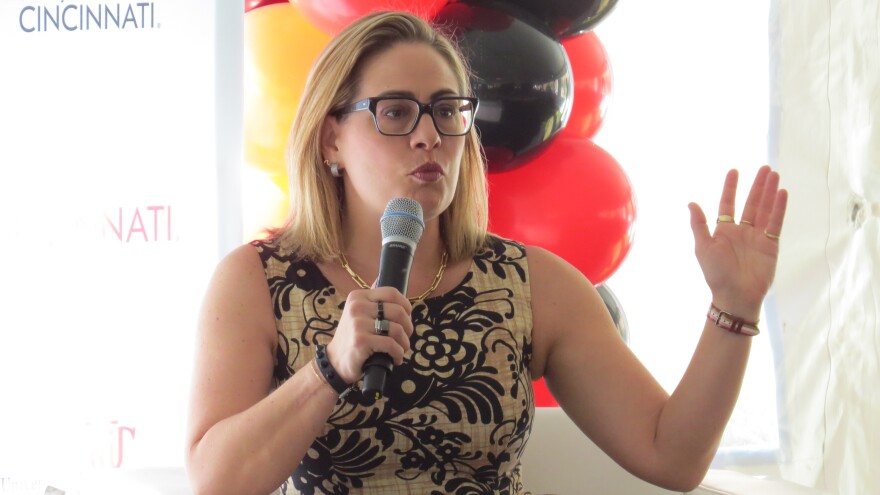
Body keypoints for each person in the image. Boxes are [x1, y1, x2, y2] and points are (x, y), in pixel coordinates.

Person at [185, 10, 788, 495]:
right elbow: (216, 483)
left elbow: (672, 456)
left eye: (448, 112)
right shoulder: (257, 283)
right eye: (396, 112)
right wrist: (329, 369)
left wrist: (732, 310)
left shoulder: (532, 285)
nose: (429, 135)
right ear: (329, 139)